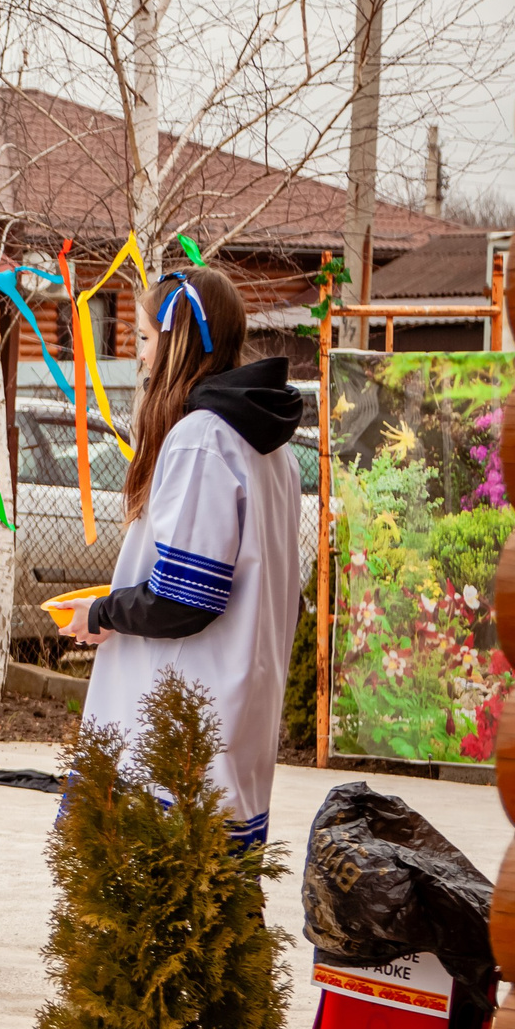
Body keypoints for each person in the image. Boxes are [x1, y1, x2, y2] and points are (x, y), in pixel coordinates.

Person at [67, 268, 305, 848]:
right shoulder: (270, 450)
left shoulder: (204, 437)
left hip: (186, 712)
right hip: (234, 700)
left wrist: (102, 613)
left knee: (169, 907)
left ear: (176, 343)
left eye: (145, 339)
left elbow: (184, 598)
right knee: (219, 902)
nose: (139, 357)